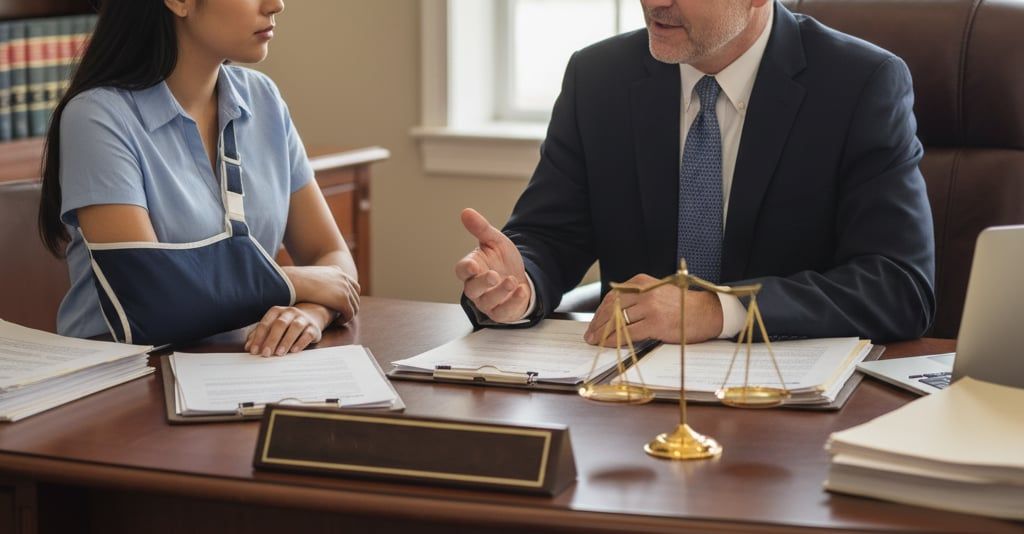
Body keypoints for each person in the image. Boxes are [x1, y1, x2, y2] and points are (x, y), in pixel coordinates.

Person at [456, 0, 935, 344]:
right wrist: (520, 288)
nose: (655, 4)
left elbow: (899, 286)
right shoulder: (598, 77)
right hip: (630, 407)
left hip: (787, 408)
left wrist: (717, 310)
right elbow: (550, 235)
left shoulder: (860, 84)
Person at [38, 0, 360, 355]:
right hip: (123, 376)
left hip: (243, 363)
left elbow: (330, 257)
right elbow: (154, 302)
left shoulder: (263, 99)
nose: (276, 5)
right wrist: (292, 282)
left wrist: (311, 314)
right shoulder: (97, 117)